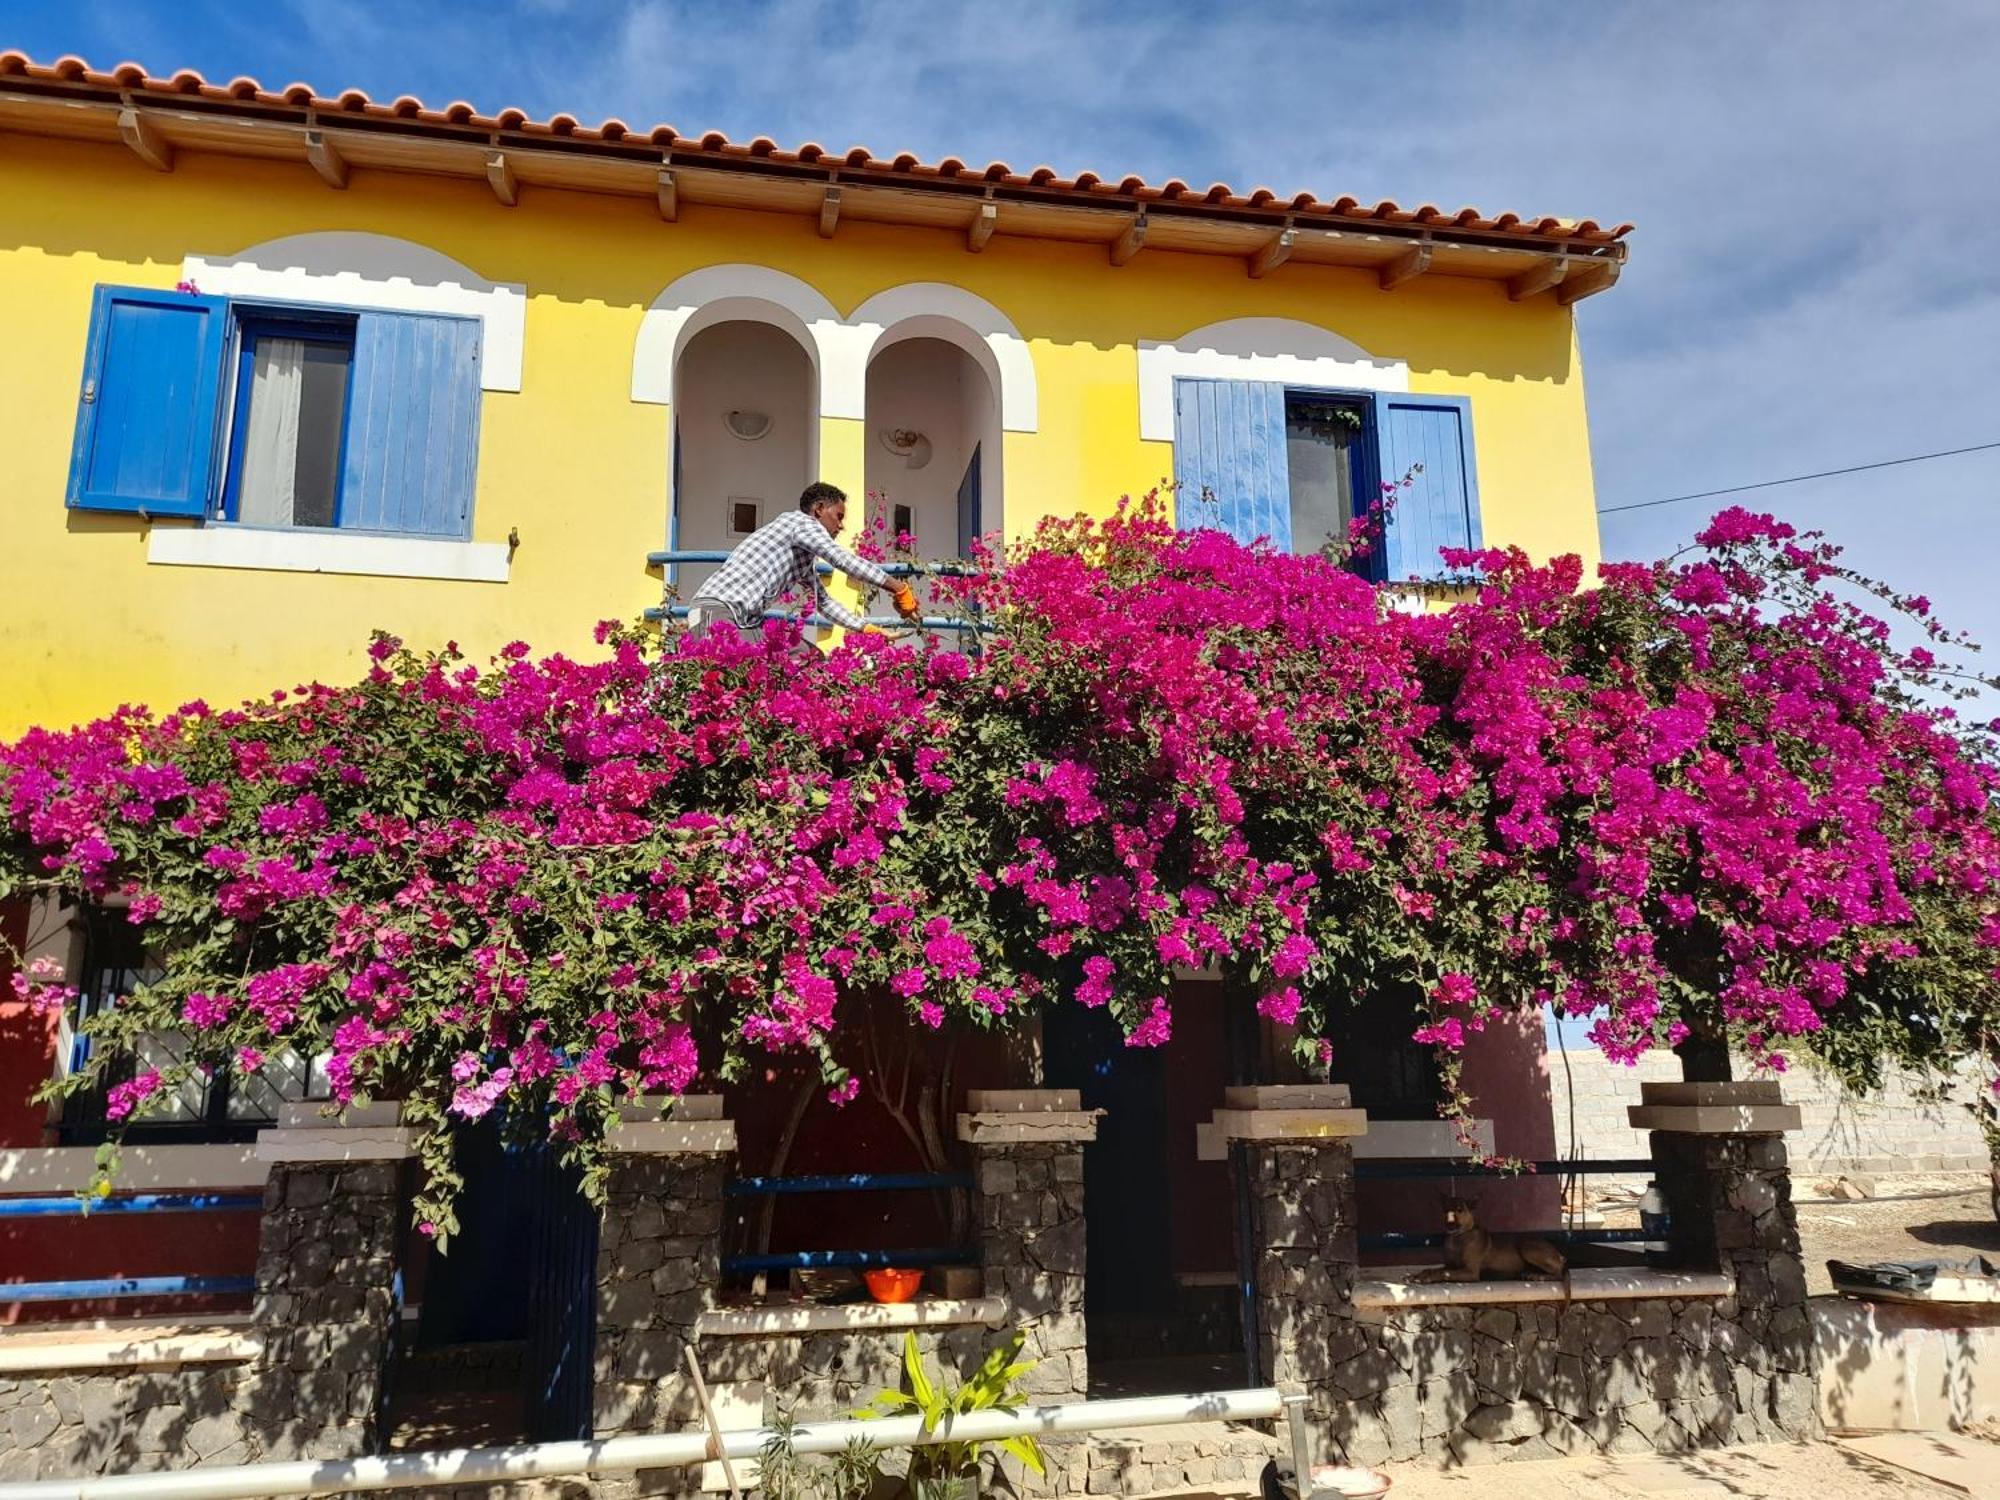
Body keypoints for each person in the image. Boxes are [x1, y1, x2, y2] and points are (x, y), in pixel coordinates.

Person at [686, 482, 920, 639]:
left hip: (740, 621)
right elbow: (838, 558)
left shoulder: (801, 553)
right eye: (838, 516)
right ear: (819, 509)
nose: (841, 526)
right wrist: (897, 588)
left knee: (805, 659)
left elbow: (825, 603)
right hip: (716, 611)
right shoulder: (800, 523)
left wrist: (866, 628)